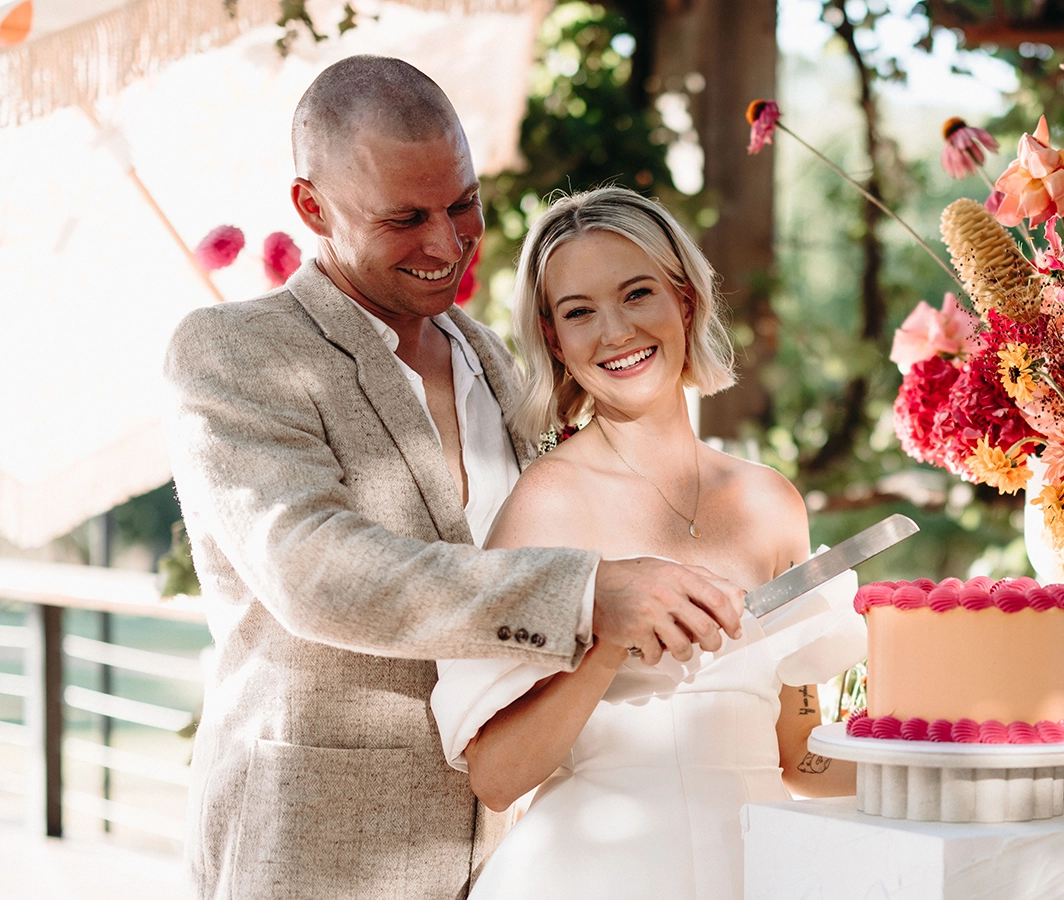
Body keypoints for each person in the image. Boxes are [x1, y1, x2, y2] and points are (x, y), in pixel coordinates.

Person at [163, 57, 747, 900]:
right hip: (314, 850)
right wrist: (587, 596)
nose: (446, 244)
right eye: (403, 218)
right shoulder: (232, 351)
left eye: (463, 204)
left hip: (515, 855)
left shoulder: (494, 361)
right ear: (312, 208)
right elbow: (313, 568)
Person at [429, 186, 861, 900]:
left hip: (761, 874)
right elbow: (496, 777)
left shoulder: (770, 503)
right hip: (594, 877)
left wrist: (949, 759)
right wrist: (604, 646)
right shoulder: (546, 505)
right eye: (579, 312)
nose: (615, 332)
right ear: (555, 340)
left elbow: (795, 757)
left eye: (637, 294)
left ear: (684, 300)